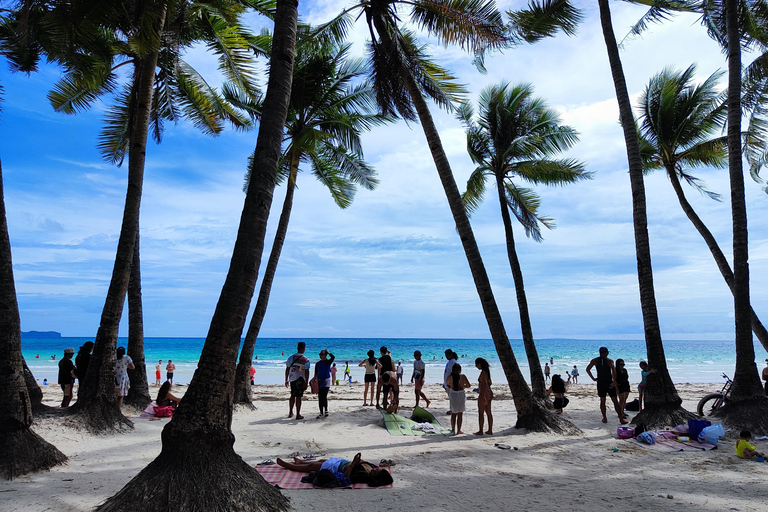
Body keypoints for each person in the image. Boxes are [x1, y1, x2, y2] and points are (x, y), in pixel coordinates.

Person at [276, 452, 393, 488]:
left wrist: (353, 463)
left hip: (337, 468)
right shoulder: (371, 467)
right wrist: (358, 460)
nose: (377, 468)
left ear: (376, 476)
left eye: (377, 470)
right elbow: (361, 462)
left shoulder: (364, 476)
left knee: (310, 468)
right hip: (341, 462)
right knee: (321, 461)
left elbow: (347, 477)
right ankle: (301, 461)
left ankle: (288, 465)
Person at [585, 347, 625, 424]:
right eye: (607, 352)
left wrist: (593, 378)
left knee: (603, 400)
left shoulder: (595, 360)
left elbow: (587, 369)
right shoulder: (609, 360)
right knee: (615, 401)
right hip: (609, 382)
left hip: (600, 382)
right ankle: (621, 419)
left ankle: (605, 418)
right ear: (606, 352)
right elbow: (613, 370)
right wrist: (614, 381)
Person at [285, 342, 311, 420]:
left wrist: (286, 379)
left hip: (292, 379)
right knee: (299, 397)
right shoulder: (305, 359)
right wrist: (306, 382)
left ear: (297, 348)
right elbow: (307, 371)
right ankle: (298, 414)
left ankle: (290, 412)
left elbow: (287, 369)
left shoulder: (290, 358)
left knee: (292, 395)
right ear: (303, 349)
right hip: (300, 379)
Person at [445, 363, 471, 434]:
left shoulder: (450, 377)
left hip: (453, 394)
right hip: (460, 394)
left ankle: (453, 429)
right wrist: (463, 386)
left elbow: (447, 384)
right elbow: (468, 385)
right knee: (460, 413)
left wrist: (451, 385)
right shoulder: (463, 376)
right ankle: (459, 430)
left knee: (453, 413)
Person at [314, 349, 336, 418]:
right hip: (320, 381)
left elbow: (333, 357)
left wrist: (329, 352)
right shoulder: (317, 364)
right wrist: (315, 382)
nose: (320, 356)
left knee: (324, 396)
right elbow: (316, 374)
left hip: (326, 381)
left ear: (325, 355)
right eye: (320, 354)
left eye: (322, 354)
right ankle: (321, 413)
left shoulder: (328, 362)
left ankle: (326, 410)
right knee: (320, 397)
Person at [474, 358, 493, 435]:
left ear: (480, 364)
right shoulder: (487, 372)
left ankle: (481, 430)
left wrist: (483, 396)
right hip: (489, 392)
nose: (476, 366)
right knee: (488, 412)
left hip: (484, 393)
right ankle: (490, 430)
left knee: (481, 412)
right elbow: (490, 383)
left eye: (476, 364)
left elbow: (485, 384)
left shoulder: (483, 373)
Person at [443, 349, 458, 414]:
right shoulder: (450, 361)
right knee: (451, 397)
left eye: (447, 355)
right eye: (445, 356)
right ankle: (452, 409)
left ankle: (453, 410)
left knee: (452, 397)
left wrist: (450, 383)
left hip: (450, 383)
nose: (446, 357)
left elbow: (454, 373)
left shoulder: (453, 362)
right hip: (447, 382)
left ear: (451, 355)